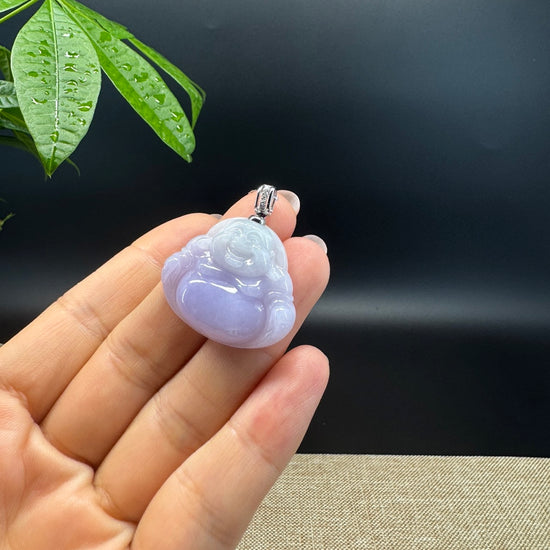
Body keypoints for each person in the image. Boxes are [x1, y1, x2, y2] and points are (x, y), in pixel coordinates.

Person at [0, 190, 330, 549]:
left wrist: (275, 314)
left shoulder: (268, 277)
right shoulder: (204, 254)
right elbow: (180, 262)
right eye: (235, 238)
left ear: (269, 259)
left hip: (243, 316)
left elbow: (280, 301)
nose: (242, 247)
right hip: (197, 293)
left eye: (253, 247)